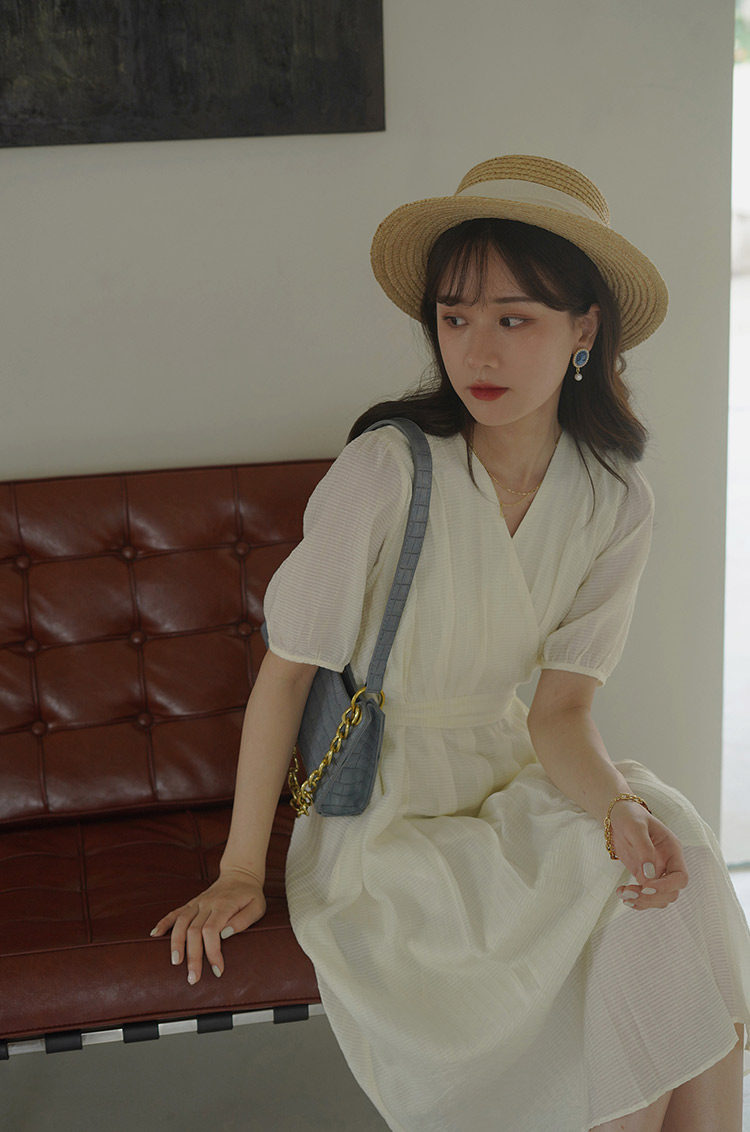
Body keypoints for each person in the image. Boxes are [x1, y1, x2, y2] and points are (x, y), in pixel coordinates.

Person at [152, 155, 750, 1131]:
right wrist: (240, 870)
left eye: (515, 319)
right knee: (640, 906)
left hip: (514, 786)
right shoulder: (388, 470)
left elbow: (562, 712)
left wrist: (618, 811)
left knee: (663, 856)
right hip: (387, 828)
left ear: (584, 328)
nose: (478, 349)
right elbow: (287, 674)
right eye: (456, 316)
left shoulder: (613, 497)